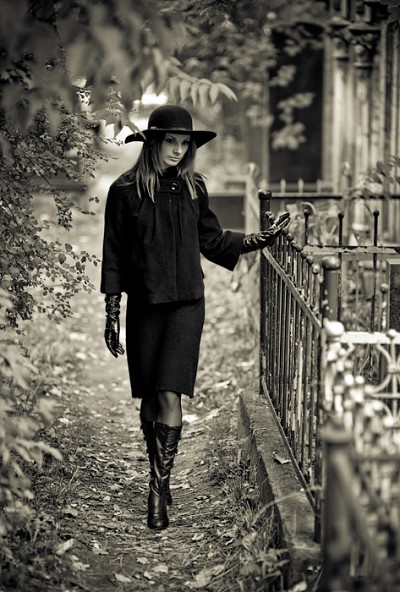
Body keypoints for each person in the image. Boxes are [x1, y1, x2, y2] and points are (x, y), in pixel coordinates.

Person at [100, 104, 290, 531]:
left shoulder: (193, 187)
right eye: (171, 141)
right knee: (150, 397)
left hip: (187, 304)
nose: (178, 150)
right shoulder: (125, 190)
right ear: (153, 143)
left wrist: (258, 239)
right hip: (145, 305)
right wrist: (112, 312)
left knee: (170, 392)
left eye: (185, 144)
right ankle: (159, 472)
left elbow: (212, 239)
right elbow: (114, 253)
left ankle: (158, 490)